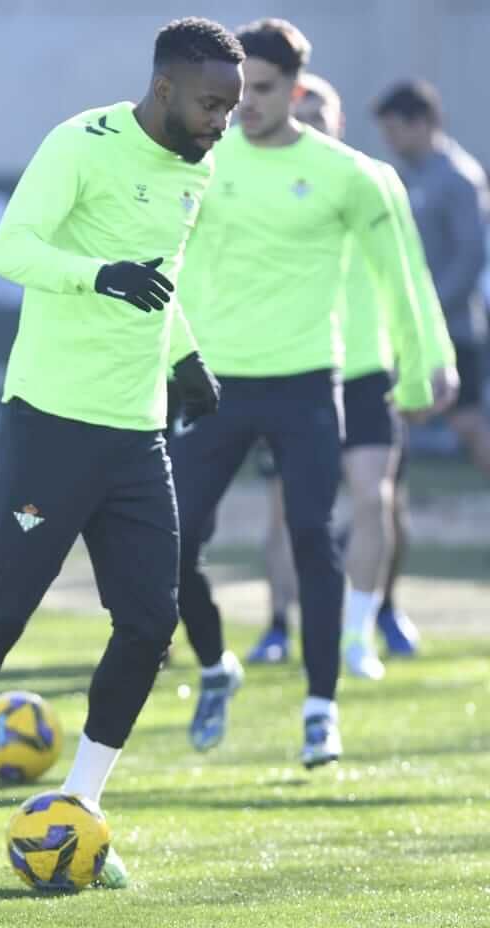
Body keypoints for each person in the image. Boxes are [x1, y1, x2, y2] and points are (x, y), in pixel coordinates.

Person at [0, 16, 241, 883]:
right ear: (163, 89)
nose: (221, 120)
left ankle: (81, 806)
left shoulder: (201, 164)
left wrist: (186, 359)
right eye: (209, 103)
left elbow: (162, 279)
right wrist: (96, 272)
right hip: (52, 425)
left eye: (229, 106)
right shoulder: (80, 143)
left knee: (151, 623)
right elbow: (8, 251)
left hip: (137, 432)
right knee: (1, 618)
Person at [172, 20, 443, 769]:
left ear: (295, 90)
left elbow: (402, 277)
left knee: (313, 539)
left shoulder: (351, 175)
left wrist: (426, 368)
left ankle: (321, 710)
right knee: (171, 544)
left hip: (304, 386)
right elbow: (154, 255)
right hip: (213, 385)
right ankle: (214, 664)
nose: (243, 105)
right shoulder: (195, 162)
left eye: (260, 90)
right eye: (232, 93)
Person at [246, 73, 457, 672]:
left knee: (374, 498)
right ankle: (277, 626)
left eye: (318, 114)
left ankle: (358, 633)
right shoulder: (256, 183)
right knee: (289, 508)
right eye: (299, 112)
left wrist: (432, 356)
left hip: (367, 369)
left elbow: (410, 278)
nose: (307, 122)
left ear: (336, 123)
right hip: (293, 367)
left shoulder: (368, 183)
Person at [375, 78, 490, 649]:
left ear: (421, 122)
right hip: (401, 336)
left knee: (472, 431)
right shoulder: (401, 176)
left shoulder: (459, 178)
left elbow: (470, 259)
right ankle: (383, 578)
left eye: (395, 127)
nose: (389, 139)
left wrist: (424, 313)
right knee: (391, 449)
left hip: (453, 331)